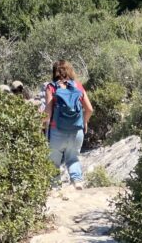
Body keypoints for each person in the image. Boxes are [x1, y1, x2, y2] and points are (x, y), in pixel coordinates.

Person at [44, 60, 94, 190]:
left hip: (57, 131)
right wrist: (85, 122)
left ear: (54, 72)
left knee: (53, 161)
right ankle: (77, 181)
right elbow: (89, 109)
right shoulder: (78, 86)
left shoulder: (51, 87)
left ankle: (55, 187)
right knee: (73, 157)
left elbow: (48, 113)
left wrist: (42, 127)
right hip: (76, 130)